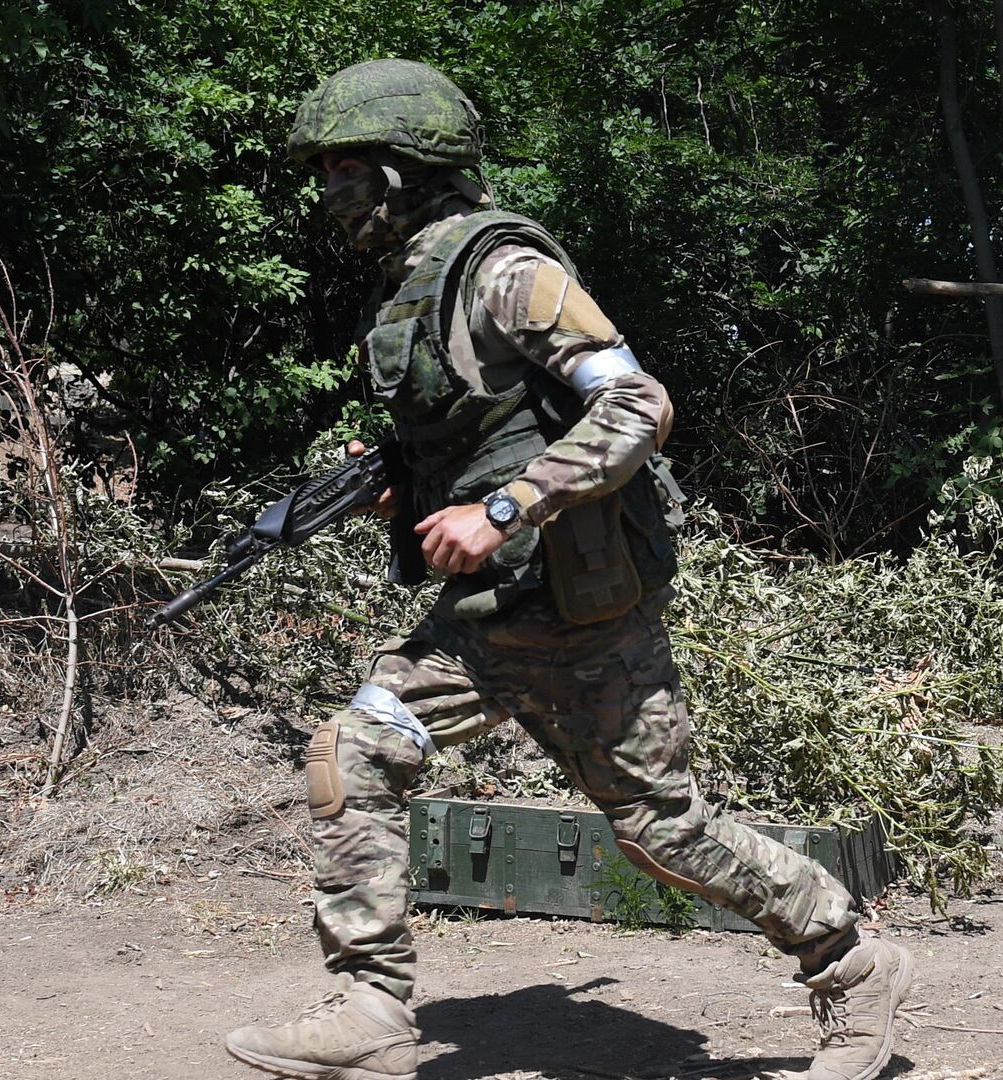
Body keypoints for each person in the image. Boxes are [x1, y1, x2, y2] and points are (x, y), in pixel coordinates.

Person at [223, 59, 914, 1080]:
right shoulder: (416, 287)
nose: (329, 193)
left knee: (665, 836)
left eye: (345, 170)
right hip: (487, 625)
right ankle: (370, 1006)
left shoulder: (505, 272)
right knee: (350, 754)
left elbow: (638, 405)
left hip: (589, 619)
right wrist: (413, 499)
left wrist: (503, 508)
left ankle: (854, 966)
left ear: (406, 172)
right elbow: (488, 434)